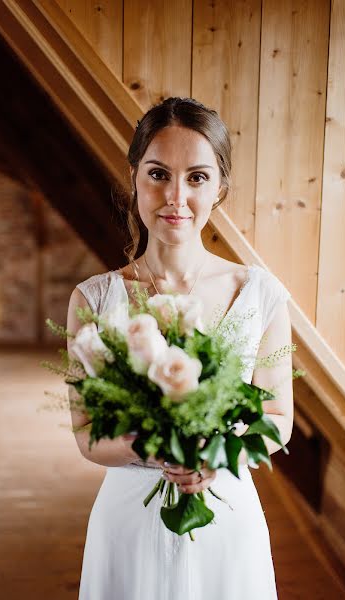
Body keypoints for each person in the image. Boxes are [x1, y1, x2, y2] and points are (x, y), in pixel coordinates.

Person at [67, 97, 293, 599]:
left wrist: (217, 456)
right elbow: (85, 434)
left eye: (196, 177)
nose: (175, 196)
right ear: (133, 177)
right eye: (157, 173)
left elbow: (277, 418)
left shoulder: (260, 294)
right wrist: (157, 446)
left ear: (220, 188)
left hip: (227, 519)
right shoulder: (94, 299)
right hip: (128, 521)